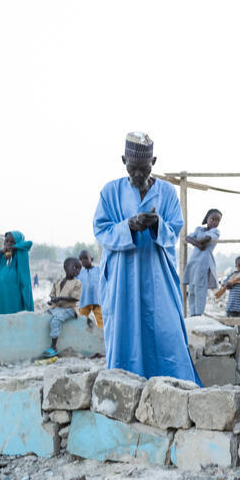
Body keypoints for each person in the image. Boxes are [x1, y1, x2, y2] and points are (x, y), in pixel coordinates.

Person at [93, 132, 201, 384]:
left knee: (166, 330)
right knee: (125, 332)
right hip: (122, 277)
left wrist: (156, 225)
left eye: (144, 169)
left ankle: (176, 385)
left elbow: (174, 229)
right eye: (133, 169)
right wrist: (129, 226)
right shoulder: (110, 192)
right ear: (124, 161)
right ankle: (124, 386)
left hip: (157, 275)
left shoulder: (167, 192)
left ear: (154, 162)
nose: (138, 175)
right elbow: (101, 230)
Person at [0, 230, 35, 314]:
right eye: (6, 241)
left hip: (14, 303)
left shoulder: (20, 256)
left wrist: (14, 247)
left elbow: (29, 244)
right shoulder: (0, 256)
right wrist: (1, 251)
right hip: (0, 301)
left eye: (12, 242)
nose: (8, 244)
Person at [182, 208, 221, 316]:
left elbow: (207, 239)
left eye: (218, 221)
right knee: (192, 290)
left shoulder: (215, 231)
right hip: (194, 262)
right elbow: (187, 237)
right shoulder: (199, 229)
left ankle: (198, 314)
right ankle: (192, 314)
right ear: (207, 219)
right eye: (212, 219)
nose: (215, 222)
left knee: (200, 289)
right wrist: (198, 244)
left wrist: (196, 242)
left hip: (204, 263)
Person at [42, 258, 82, 358]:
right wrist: (52, 300)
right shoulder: (58, 282)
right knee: (45, 316)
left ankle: (53, 346)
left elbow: (74, 298)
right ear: (65, 268)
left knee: (56, 321)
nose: (77, 270)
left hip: (69, 309)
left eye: (79, 269)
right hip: (57, 308)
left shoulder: (77, 283)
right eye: (75, 267)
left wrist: (59, 298)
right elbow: (52, 295)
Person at [76, 249, 103, 328]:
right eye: (81, 259)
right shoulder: (79, 273)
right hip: (84, 301)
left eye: (85, 258)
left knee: (101, 322)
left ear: (91, 259)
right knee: (80, 320)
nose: (83, 261)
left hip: (97, 301)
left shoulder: (99, 270)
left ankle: (103, 337)